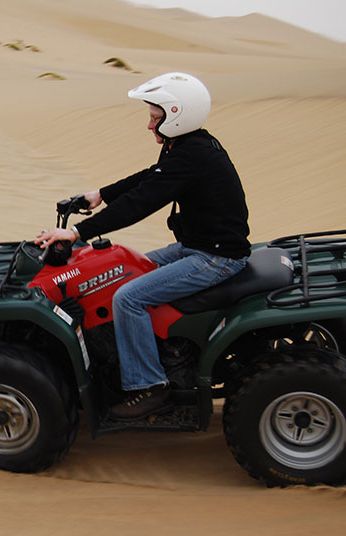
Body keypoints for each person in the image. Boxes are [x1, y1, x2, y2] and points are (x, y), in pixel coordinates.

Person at [35, 72, 250, 421]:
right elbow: (152, 176)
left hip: (215, 258)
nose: (150, 126)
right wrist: (101, 195)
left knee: (128, 297)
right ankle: (137, 356)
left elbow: (141, 202)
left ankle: (151, 386)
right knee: (118, 276)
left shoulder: (192, 155)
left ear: (177, 114)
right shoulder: (189, 146)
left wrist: (77, 233)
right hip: (198, 248)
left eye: (155, 117)